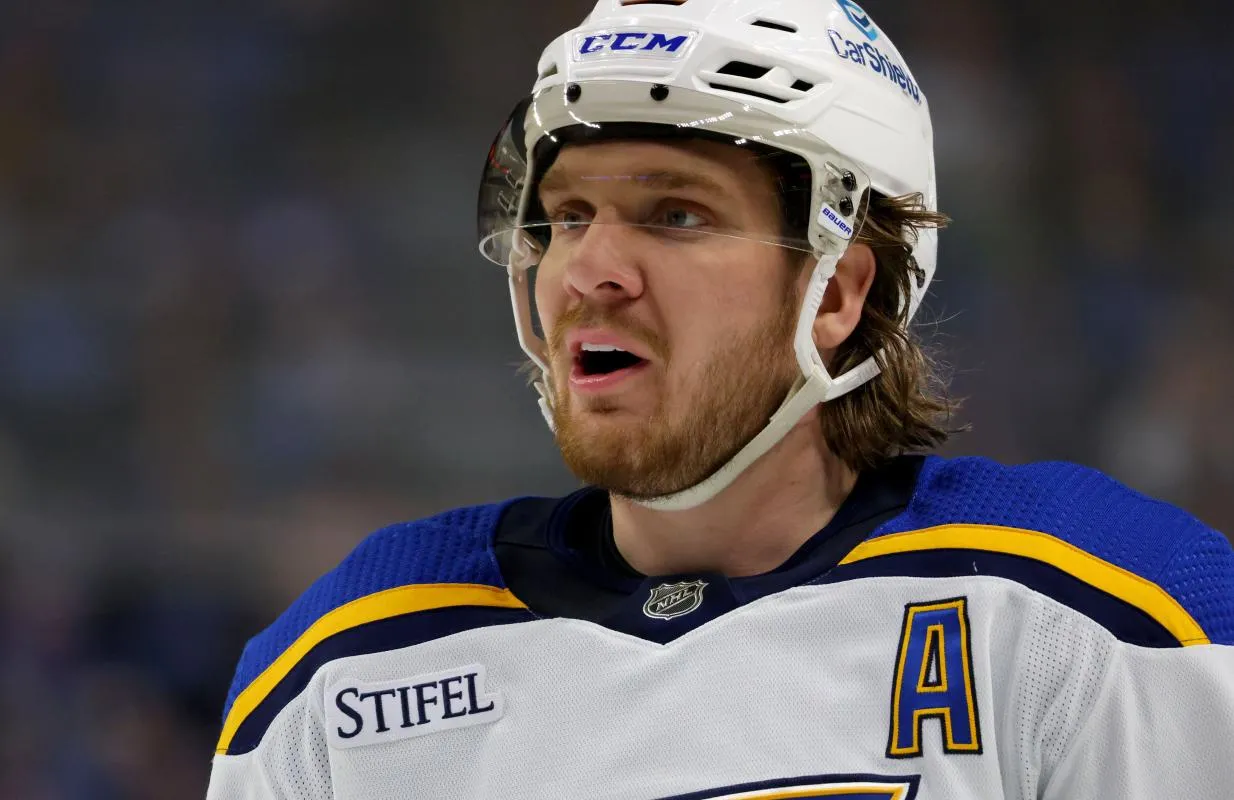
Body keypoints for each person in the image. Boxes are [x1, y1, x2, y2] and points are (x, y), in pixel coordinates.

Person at [206, 0, 1234, 797]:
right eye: (566, 216)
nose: (589, 270)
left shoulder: (1097, 611)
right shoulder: (344, 666)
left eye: (675, 214)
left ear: (836, 290)